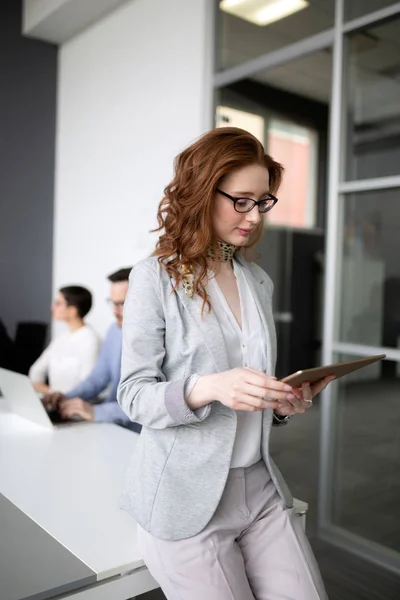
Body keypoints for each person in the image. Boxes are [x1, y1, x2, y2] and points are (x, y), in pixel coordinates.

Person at [117, 128, 335, 600]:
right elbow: (133, 394)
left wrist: (280, 403)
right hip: (186, 495)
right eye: (241, 200)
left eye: (263, 202)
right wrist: (209, 387)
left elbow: (248, 386)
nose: (254, 216)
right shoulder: (154, 277)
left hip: (259, 486)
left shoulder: (257, 280)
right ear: (201, 191)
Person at [44, 268, 140, 432]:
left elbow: (148, 404)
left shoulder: (157, 339)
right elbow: (98, 378)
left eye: (122, 303)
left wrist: (96, 411)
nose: (114, 311)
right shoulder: (114, 331)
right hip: (112, 425)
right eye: (112, 302)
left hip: (137, 432)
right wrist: (67, 397)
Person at [29, 286, 100, 394]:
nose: (53, 307)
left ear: (72, 310)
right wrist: (51, 393)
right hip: (55, 404)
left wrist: (51, 393)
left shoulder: (91, 341)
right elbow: (35, 373)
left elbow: (87, 386)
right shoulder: (61, 338)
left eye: (58, 303)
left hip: (75, 406)